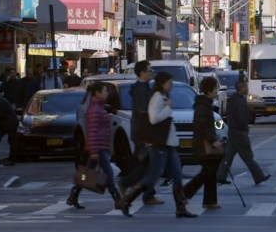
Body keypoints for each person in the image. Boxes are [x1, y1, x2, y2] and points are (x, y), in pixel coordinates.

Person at [120, 72, 197, 218]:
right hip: (159, 145)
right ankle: (126, 200)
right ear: (162, 83)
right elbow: (154, 119)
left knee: (177, 176)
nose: (171, 86)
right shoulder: (157, 98)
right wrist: (167, 108)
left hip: (168, 144)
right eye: (169, 83)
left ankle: (181, 208)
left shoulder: (163, 97)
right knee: (151, 178)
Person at [67, 82, 127, 214]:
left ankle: (75, 193)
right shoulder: (94, 109)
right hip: (98, 147)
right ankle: (117, 199)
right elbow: (92, 131)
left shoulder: (98, 107)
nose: (107, 93)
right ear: (97, 93)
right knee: (109, 174)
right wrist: (94, 151)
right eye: (105, 91)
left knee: (86, 173)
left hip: (100, 145)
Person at [117, 60, 162, 205]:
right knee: (147, 163)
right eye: (150, 70)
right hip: (143, 133)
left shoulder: (144, 87)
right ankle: (130, 185)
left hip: (143, 132)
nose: (152, 73)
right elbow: (143, 113)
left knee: (146, 163)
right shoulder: (141, 89)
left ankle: (147, 193)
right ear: (142, 73)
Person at [216, 77, 271, 185]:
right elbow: (241, 117)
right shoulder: (240, 101)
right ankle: (258, 176)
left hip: (233, 132)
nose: (247, 88)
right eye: (246, 86)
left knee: (229, 155)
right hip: (239, 134)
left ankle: (221, 175)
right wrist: (244, 129)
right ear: (241, 88)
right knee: (248, 157)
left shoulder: (233, 99)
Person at [182, 76, 224, 209]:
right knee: (207, 172)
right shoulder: (203, 107)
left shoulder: (206, 105)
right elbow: (201, 127)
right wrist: (213, 140)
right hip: (203, 146)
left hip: (206, 144)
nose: (217, 92)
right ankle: (184, 192)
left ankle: (210, 201)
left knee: (210, 173)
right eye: (215, 89)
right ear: (209, 90)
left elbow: (215, 125)